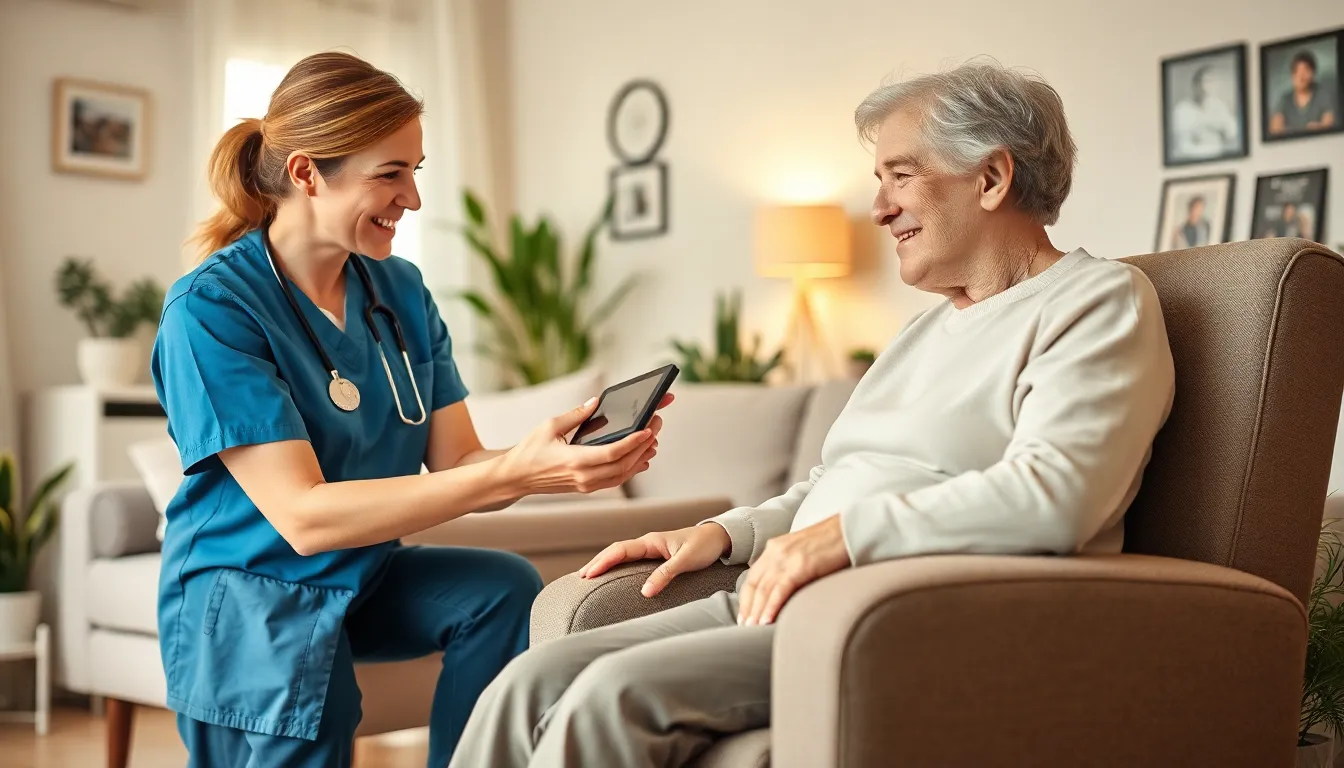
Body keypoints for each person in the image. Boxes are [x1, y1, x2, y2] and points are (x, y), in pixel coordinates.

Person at [448, 59, 1177, 768]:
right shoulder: (922, 330)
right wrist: (724, 534)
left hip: (910, 612)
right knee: (525, 683)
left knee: (611, 696)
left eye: (901, 175)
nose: (880, 208)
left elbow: (1057, 496)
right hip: (787, 597)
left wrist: (842, 538)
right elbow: (835, 481)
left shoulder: (1095, 302)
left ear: (991, 178)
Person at [152, 51, 666, 768]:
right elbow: (303, 518)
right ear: (306, 173)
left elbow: (458, 460)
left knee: (502, 590)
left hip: (361, 572)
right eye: (390, 174)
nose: (414, 199)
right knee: (317, 703)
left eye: (416, 171)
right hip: (250, 595)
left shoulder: (399, 291)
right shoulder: (211, 308)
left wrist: (553, 456)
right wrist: (517, 473)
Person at [1170, 65, 1240, 159]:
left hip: (1218, 158)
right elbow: (1182, 145)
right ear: (1195, 85)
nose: (1205, 87)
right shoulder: (1182, 109)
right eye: (1202, 82)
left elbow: (1232, 132)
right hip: (1192, 159)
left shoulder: (1219, 106)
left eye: (1210, 82)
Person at [1269, 50, 1338, 136]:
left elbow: (1329, 123)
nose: (1301, 76)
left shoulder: (1323, 94)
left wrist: (1318, 127)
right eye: (1297, 71)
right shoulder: (1285, 99)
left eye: (1306, 71)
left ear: (1313, 73)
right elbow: (1275, 128)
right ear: (1292, 75)